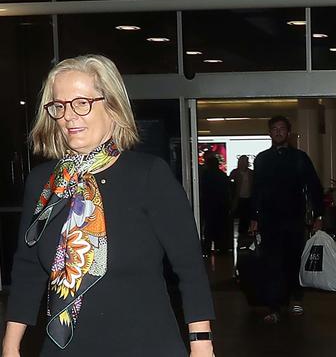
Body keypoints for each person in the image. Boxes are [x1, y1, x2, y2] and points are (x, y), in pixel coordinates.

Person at [1, 55, 215, 357]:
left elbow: (189, 266)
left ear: (112, 105)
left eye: (81, 103)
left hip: (145, 344)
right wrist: (10, 345)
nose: (69, 116)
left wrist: (201, 342)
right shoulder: (44, 183)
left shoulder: (149, 175)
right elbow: (28, 268)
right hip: (65, 348)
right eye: (59, 106)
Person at [249, 115, 324, 324]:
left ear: (288, 132)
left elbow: (314, 186)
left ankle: (296, 298)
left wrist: (318, 214)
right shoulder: (262, 159)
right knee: (272, 263)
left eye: (282, 128)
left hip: (294, 219)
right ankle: (274, 306)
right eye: (274, 129)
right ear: (269, 133)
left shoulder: (300, 158)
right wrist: (254, 217)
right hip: (269, 220)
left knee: (293, 260)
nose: (278, 132)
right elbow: (257, 190)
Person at [200, 153, 231, 256]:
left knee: (208, 228)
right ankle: (221, 248)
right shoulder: (222, 176)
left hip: (208, 205)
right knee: (221, 228)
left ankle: (207, 249)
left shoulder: (205, 176)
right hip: (221, 206)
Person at [229, 155, 253, 241]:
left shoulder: (251, 173)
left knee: (246, 218)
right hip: (238, 198)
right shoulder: (235, 173)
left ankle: (244, 235)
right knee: (236, 217)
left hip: (248, 198)